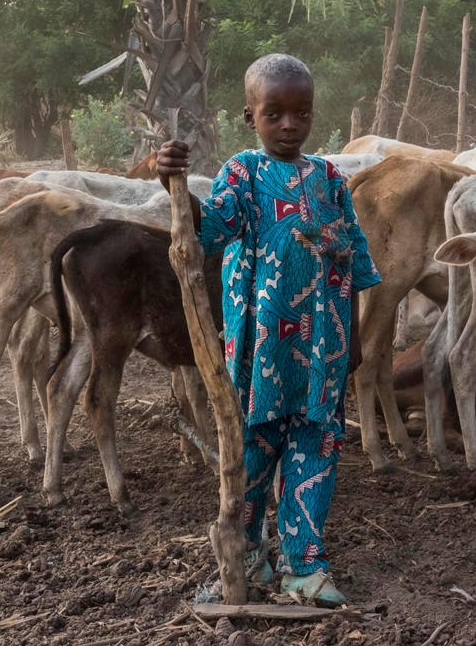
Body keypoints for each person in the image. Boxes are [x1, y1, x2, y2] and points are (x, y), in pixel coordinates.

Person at [157, 53, 380, 607]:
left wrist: (350, 341)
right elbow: (206, 232)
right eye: (274, 113)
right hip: (259, 353)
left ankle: (304, 564)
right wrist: (174, 185)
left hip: (321, 351)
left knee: (315, 449)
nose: (289, 125)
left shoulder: (330, 179)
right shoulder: (243, 174)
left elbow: (351, 261)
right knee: (252, 455)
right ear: (249, 115)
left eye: (300, 113)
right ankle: (248, 558)